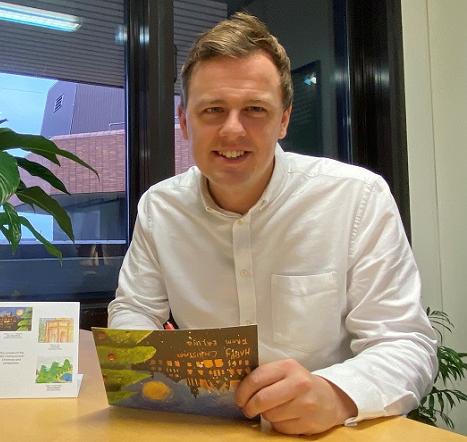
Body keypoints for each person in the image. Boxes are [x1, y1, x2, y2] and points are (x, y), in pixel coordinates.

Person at [107, 12, 437, 435]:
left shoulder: (357, 198)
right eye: (213, 110)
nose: (232, 130)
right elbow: (135, 310)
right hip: (207, 429)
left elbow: (405, 342)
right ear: (185, 121)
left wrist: (336, 394)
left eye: (255, 110)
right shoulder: (161, 207)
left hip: (323, 433)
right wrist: (142, 369)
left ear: (283, 119)